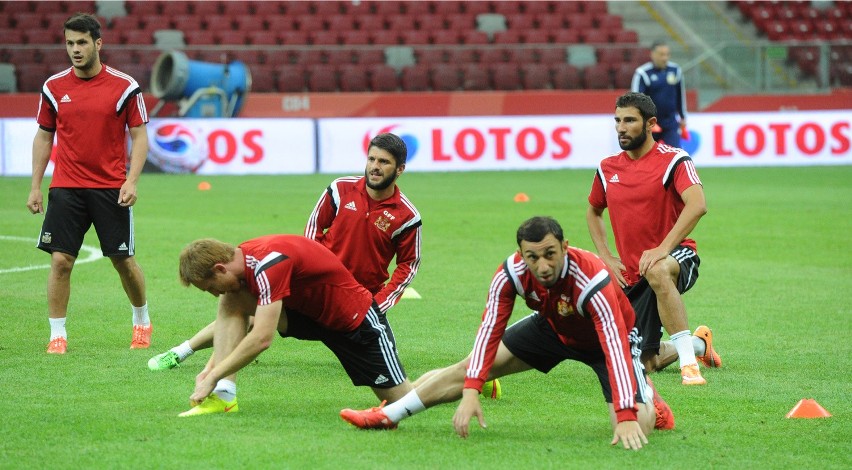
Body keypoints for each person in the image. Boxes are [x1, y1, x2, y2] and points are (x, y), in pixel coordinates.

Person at [340, 217, 674, 451]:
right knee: (466, 367)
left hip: (608, 340)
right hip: (552, 329)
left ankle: (647, 396)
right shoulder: (510, 273)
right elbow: (489, 331)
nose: (542, 265)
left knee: (635, 429)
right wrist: (472, 389)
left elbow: (614, 346)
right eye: (532, 257)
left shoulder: (591, 281)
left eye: (549, 254)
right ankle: (388, 415)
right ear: (521, 254)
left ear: (565, 247)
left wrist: (627, 414)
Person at [147, 132, 422, 370]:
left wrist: (381, 302)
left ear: (399, 169)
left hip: (357, 299)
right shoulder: (340, 189)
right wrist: (307, 274)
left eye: (384, 162)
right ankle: (181, 352)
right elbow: (312, 232)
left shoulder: (407, 216)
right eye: (372, 159)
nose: (375, 167)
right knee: (251, 312)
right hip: (314, 284)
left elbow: (408, 265)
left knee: (387, 362)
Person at [175, 235, 413, 416]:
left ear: (219, 268)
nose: (215, 294)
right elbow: (242, 319)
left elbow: (262, 338)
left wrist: (213, 375)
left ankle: (447, 379)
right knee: (232, 297)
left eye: (210, 287)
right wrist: (211, 369)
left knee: (403, 401)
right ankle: (224, 397)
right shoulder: (242, 261)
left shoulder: (268, 266)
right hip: (307, 317)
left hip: (354, 322)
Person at [26, 13, 151, 354]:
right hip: (66, 187)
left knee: (123, 262)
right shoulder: (53, 87)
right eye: (69, 43)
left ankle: (141, 322)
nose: (75, 50)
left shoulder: (125, 86)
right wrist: (36, 186)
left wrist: (132, 181)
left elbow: (140, 137)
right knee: (60, 261)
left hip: (111, 188)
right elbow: (43, 136)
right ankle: (57, 335)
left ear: (98, 44)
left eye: (82, 42)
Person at [586, 92, 721, 386]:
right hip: (632, 275)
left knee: (658, 269)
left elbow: (698, 205)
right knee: (647, 363)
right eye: (618, 120)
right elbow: (593, 212)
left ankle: (689, 367)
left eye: (630, 120)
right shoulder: (608, 168)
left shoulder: (674, 159)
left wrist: (662, 249)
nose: (621, 127)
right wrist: (606, 257)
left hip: (677, 256)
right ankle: (699, 345)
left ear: (651, 124)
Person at [630, 41, 687, 147]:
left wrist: (683, 117)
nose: (664, 58)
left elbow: (680, 96)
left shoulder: (675, 70)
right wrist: (643, 120)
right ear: (652, 54)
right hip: (649, 124)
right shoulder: (643, 73)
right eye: (661, 54)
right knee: (645, 158)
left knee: (675, 156)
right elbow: (636, 101)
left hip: (670, 122)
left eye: (667, 54)